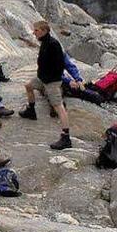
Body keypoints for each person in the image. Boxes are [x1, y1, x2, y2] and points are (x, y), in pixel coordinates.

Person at [22, 19, 75, 149]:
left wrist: (53, 79)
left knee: (59, 107)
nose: (34, 33)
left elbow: (60, 65)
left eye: (36, 30)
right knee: (28, 85)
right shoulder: (45, 42)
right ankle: (31, 110)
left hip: (51, 82)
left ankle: (66, 137)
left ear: (44, 31)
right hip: (43, 79)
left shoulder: (53, 44)